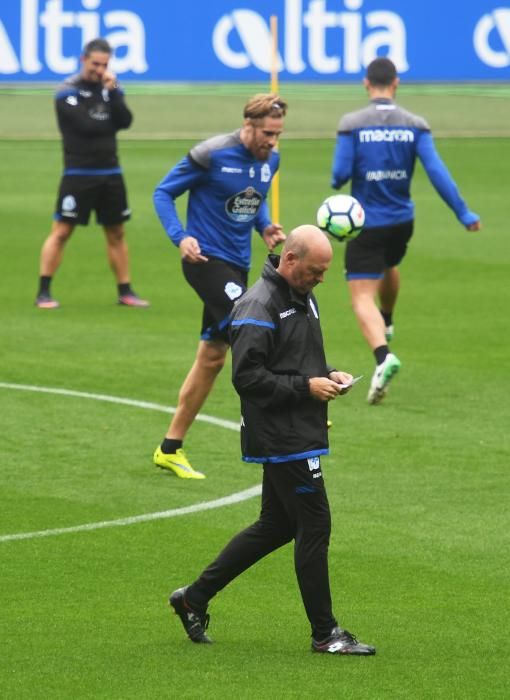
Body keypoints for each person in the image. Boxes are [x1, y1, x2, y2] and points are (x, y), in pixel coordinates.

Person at [168, 225, 376, 656]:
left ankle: (192, 599)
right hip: (282, 436)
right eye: (315, 271)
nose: (320, 279)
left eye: (324, 273)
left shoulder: (302, 294)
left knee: (277, 525)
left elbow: (298, 358)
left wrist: (330, 374)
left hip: (299, 429)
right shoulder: (256, 305)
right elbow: (246, 377)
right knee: (315, 524)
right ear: (291, 260)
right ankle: (326, 634)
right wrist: (306, 388)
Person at [152, 93, 287, 479]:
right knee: (254, 324)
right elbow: (163, 192)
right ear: (248, 124)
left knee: (213, 357)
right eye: (267, 133)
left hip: (238, 266)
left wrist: (265, 225)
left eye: (277, 134)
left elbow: (253, 197)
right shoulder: (210, 154)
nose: (272, 142)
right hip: (204, 261)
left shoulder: (270, 161)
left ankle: (170, 448)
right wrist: (180, 236)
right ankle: (289, 412)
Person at [331, 57, 481, 405]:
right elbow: (436, 171)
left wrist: (346, 173)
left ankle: (383, 356)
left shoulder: (352, 123)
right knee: (388, 264)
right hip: (402, 222)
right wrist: (463, 212)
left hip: (367, 222)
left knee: (360, 295)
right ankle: (388, 318)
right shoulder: (415, 123)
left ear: (366, 84)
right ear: (395, 83)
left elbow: (338, 176)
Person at [35, 38, 149, 309]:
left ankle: (125, 291)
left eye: (105, 65)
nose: (100, 70)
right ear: (83, 60)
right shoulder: (66, 91)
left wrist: (116, 92)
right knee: (62, 231)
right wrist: (107, 107)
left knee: (117, 232)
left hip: (110, 171)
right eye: (96, 64)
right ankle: (44, 291)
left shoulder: (109, 90)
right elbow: (88, 126)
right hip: (78, 173)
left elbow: (125, 121)